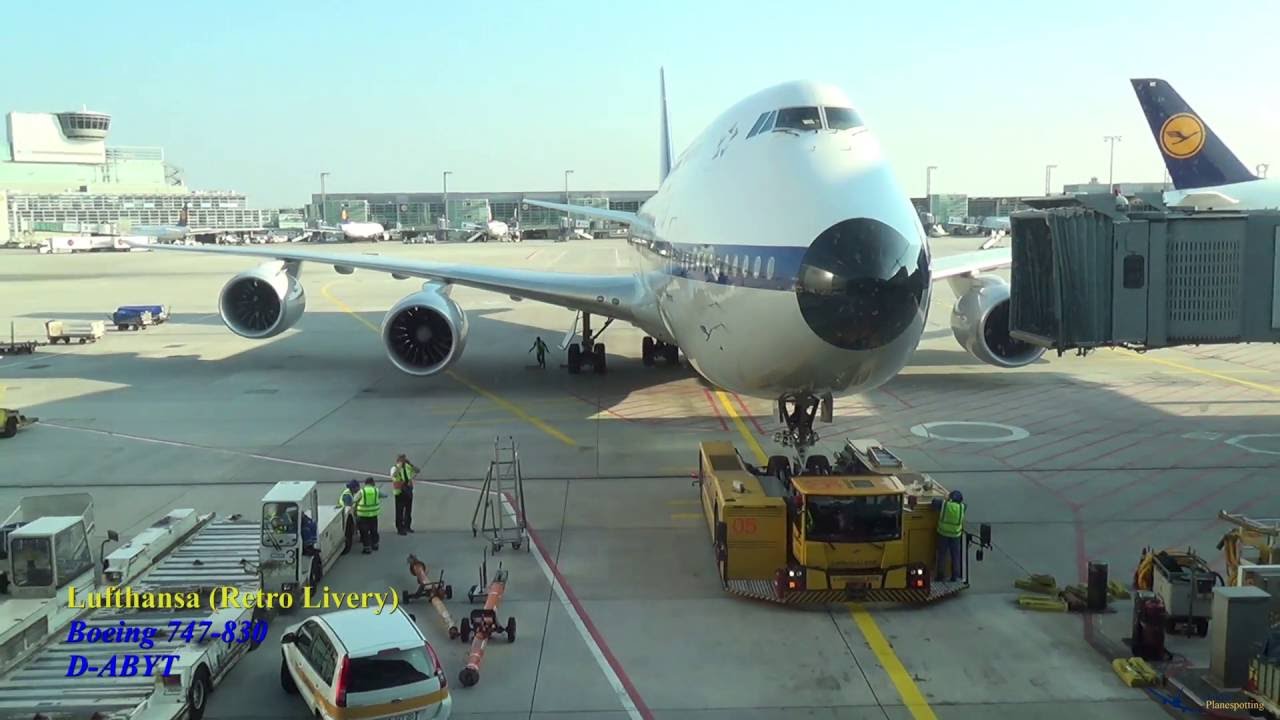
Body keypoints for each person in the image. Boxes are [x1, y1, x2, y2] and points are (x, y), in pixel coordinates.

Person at [934, 490, 966, 582]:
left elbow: (934, 502)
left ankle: (940, 576)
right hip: (955, 535)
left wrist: (945, 498)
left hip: (943, 534)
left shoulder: (944, 504)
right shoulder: (962, 507)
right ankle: (955, 576)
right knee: (955, 556)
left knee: (942, 555)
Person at [354, 477, 385, 554]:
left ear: (365, 483)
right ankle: (375, 544)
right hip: (373, 515)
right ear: (372, 483)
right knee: (374, 530)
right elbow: (384, 495)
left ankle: (367, 548)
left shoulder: (362, 491)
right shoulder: (376, 490)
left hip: (363, 515)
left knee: (364, 532)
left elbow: (354, 499)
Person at [390, 454, 419, 535]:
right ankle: (400, 528)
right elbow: (394, 475)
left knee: (408, 510)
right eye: (402, 459)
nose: (403, 461)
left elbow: (417, 471)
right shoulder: (394, 468)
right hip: (399, 491)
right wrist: (399, 467)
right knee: (399, 511)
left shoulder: (407, 466)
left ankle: (407, 526)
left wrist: (411, 464)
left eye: (404, 459)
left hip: (408, 490)